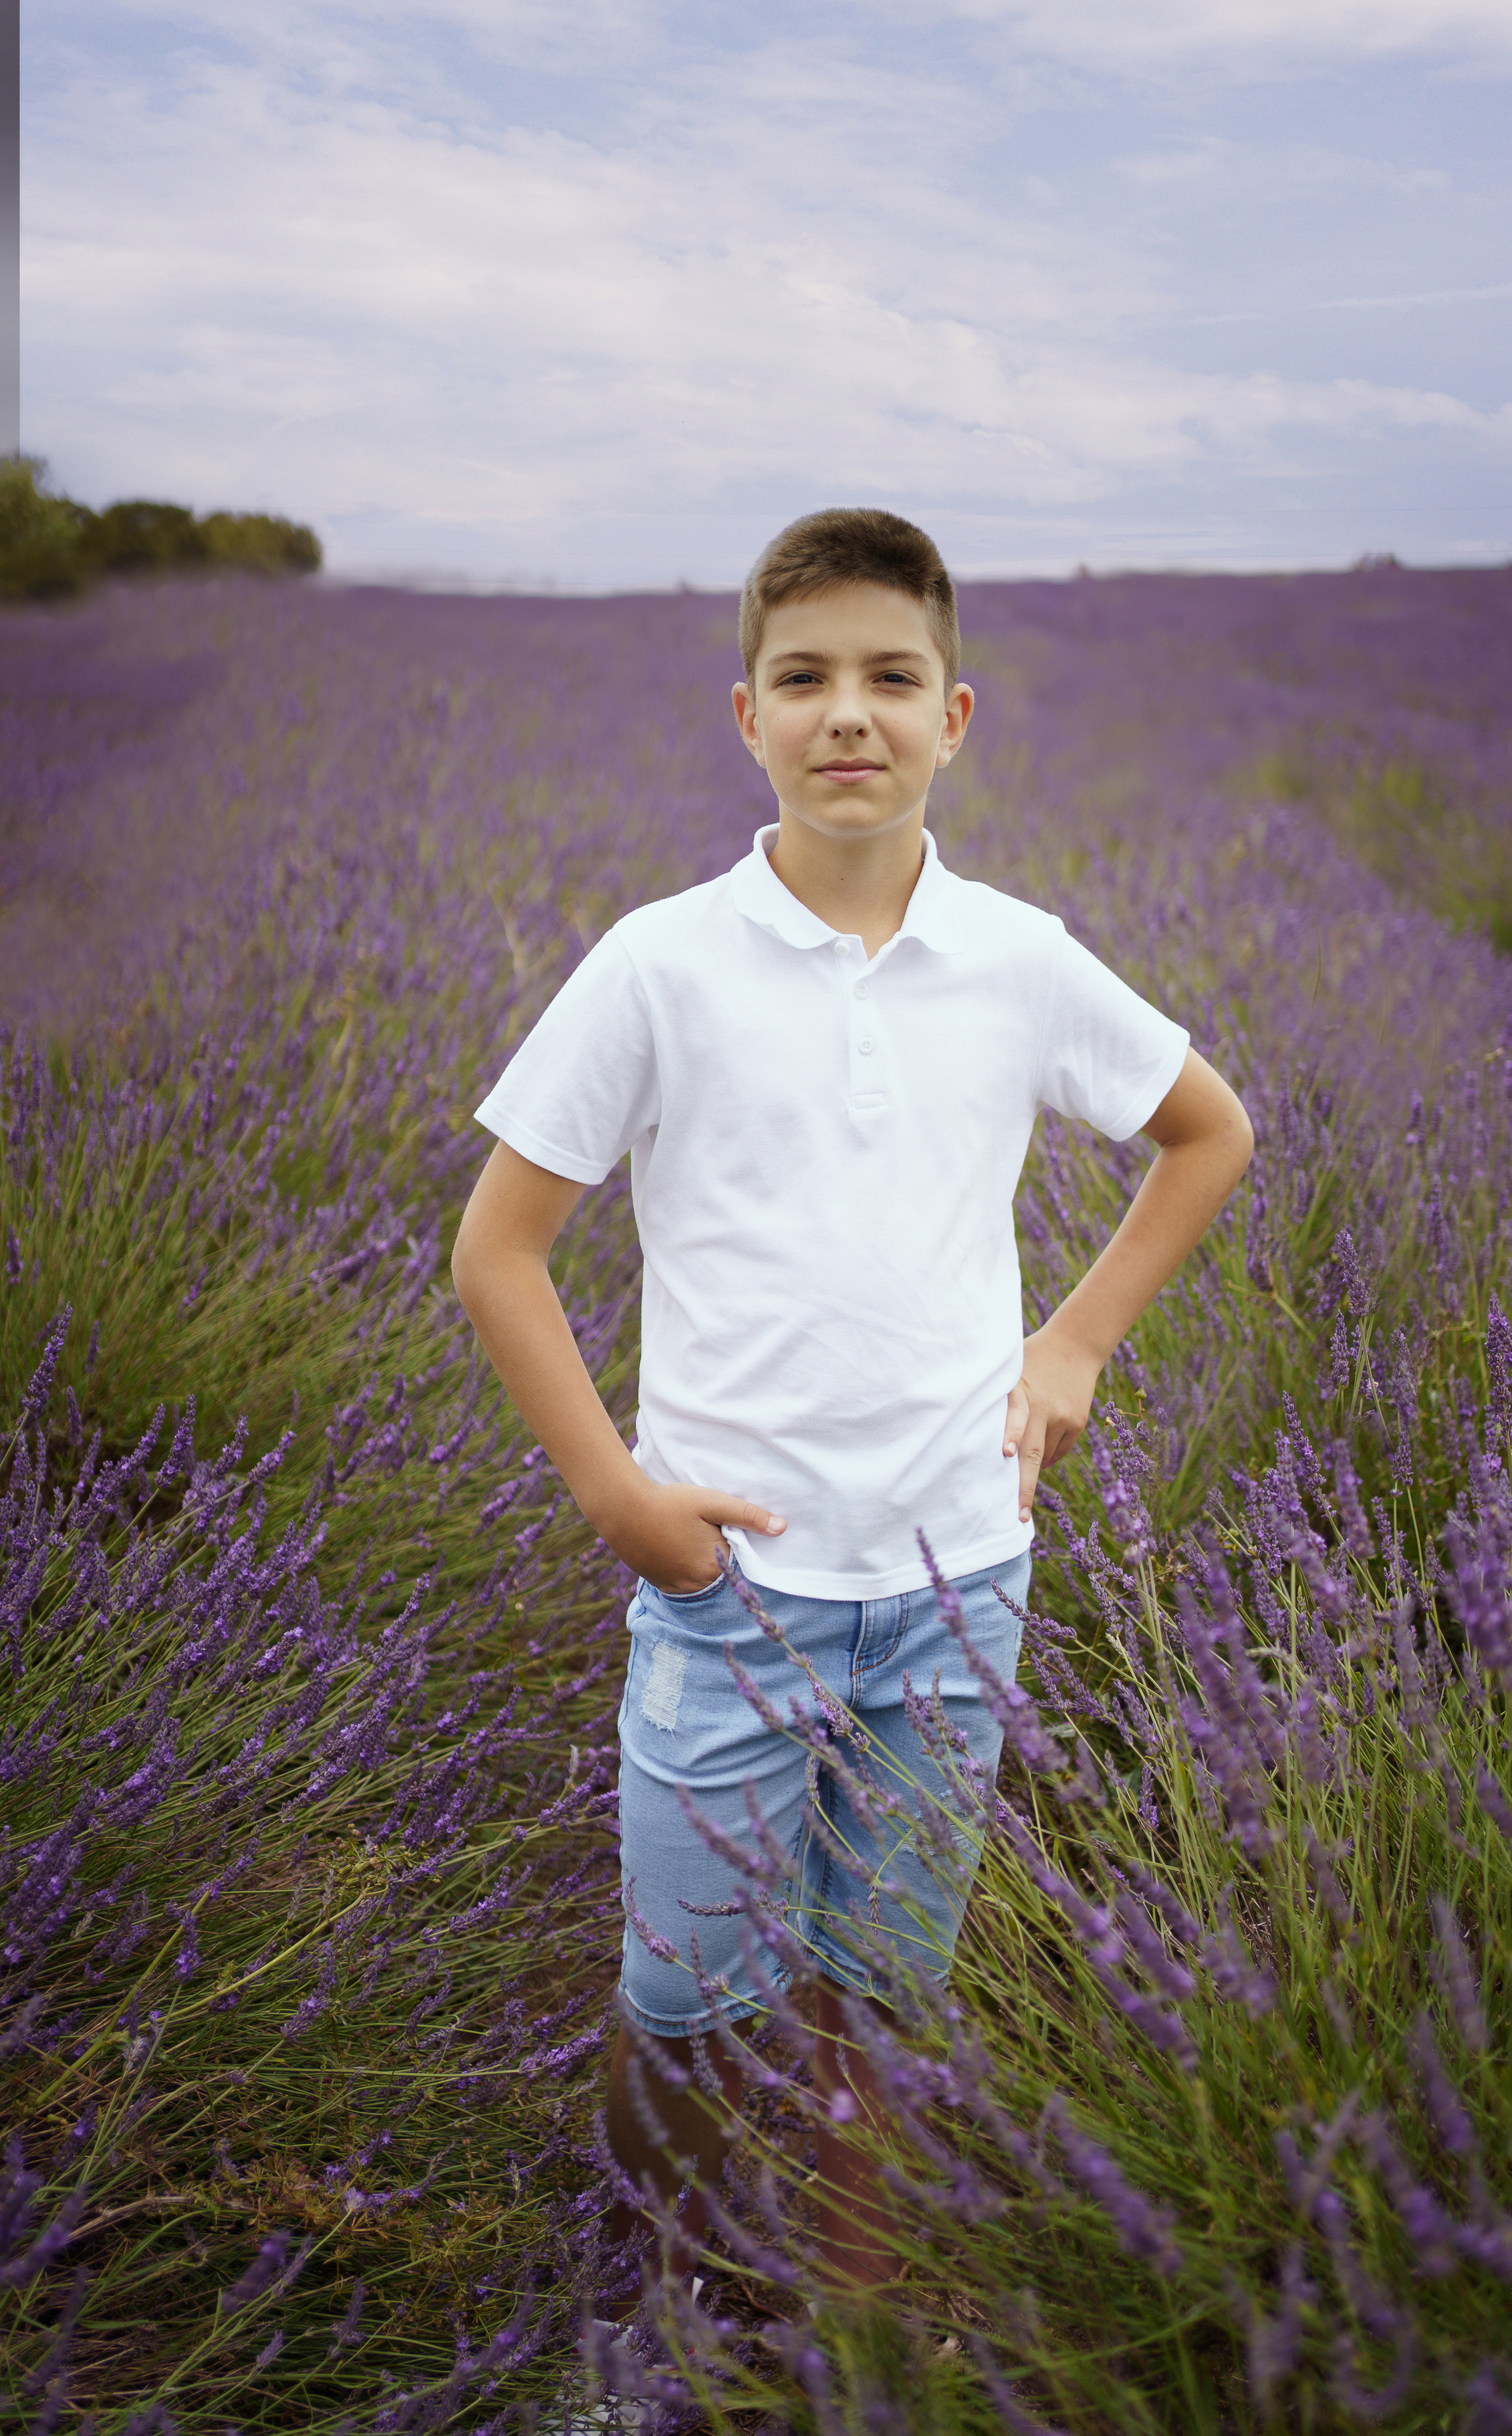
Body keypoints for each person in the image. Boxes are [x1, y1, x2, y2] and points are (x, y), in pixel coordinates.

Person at [450, 507, 1253, 2305]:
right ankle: (653, 2340)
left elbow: (1210, 1133)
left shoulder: (1019, 959)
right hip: (729, 1591)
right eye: (804, 678)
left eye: (892, 678)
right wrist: (617, 1497)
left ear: (952, 719)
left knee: (884, 1993)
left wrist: (1074, 1346)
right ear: (748, 716)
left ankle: (852, 2336)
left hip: (960, 1582)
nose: (848, 714)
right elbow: (498, 1250)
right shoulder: (661, 963)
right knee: (685, 2003)